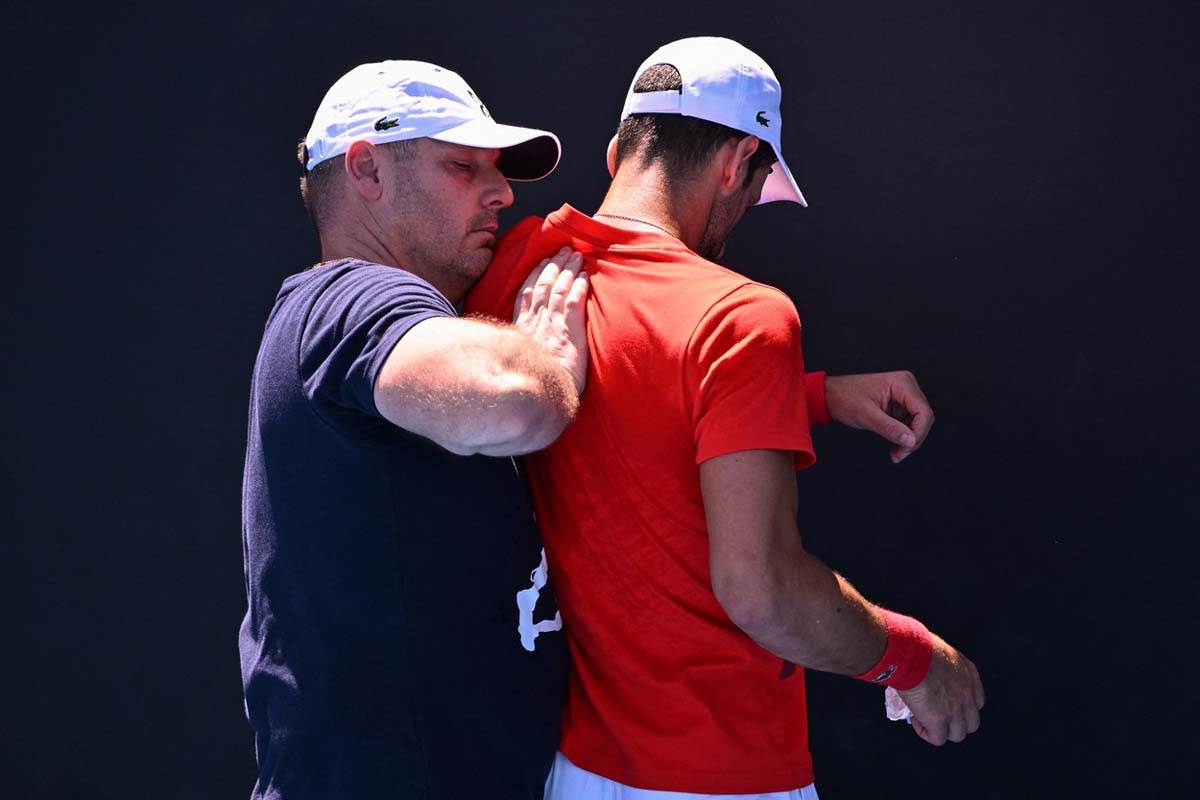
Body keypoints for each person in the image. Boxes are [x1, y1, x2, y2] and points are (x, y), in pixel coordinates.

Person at [463, 37, 986, 799]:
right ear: (739, 162)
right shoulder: (742, 318)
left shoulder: (521, 266)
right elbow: (762, 591)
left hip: (578, 768)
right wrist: (914, 659)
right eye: (759, 185)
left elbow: (627, 399)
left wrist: (810, 396)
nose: (745, 212)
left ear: (618, 153)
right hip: (726, 773)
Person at [239, 60, 591, 799]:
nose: (502, 193)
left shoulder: (354, 309)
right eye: (463, 166)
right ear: (367, 170)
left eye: (497, 170)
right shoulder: (350, 297)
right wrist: (550, 353)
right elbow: (513, 402)